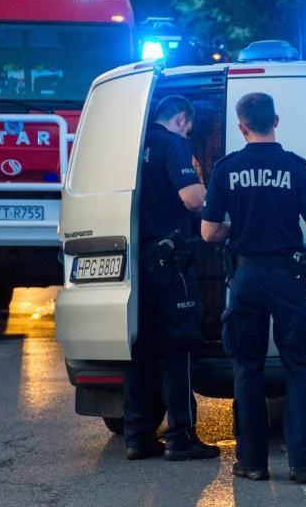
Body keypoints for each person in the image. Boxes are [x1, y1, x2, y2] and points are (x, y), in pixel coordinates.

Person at [201, 92, 306, 483]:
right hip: (288, 280)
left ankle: (252, 463)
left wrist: (236, 229)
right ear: (275, 120)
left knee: (246, 369)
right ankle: (303, 464)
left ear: (242, 126)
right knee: (299, 368)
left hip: (245, 279)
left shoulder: (225, 169)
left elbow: (209, 231)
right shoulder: (297, 167)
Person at [123, 95, 221, 462]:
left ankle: (138, 436)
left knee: (140, 350)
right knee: (179, 349)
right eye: (191, 127)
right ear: (181, 118)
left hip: (136, 263)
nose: (189, 133)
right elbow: (194, 199)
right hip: (169, 265)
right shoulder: (172, 143)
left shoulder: (133, 144)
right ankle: (181, 437)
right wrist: (217, 200)